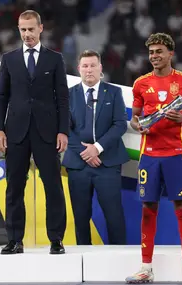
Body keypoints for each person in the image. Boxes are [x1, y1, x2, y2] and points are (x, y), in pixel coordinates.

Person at [125, 33, 182, 284]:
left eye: (159, 51)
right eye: (151, 52)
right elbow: (134, 118)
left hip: (176, 155)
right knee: (149, 210)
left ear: (171, 53)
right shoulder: (140, 84)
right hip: (149, 156)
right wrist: (138, 126)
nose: (154, 56)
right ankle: (145, 267)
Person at [0, 10, 69, 255]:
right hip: (15, 132)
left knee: (53, 186)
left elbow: (63, 100)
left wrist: (63, 131)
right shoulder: (9, 59)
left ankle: (56, 239)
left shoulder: (55, 59)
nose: (26, 34)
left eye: (30, 29)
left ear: (40, 28)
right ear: (19, 30)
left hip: (47, 133)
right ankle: (15, 240)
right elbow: (1, 97)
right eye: (22, 29)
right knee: (14, 187)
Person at [62, 50, 129, 245]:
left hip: (108, 164)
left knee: (114, 216)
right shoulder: (68, 94)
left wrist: (97, 148)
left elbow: (120, 124)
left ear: (100, 68)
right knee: (81, 217)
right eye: (85, 66)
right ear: (79, 69)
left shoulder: (114, 92)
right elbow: (64, 127)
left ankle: (119, 258)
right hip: (78, 165)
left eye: (93, 65)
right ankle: (84, 258)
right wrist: (86, 153)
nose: (89, 70)